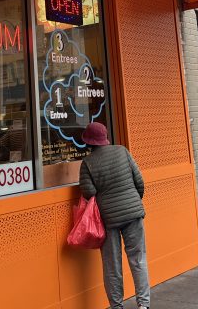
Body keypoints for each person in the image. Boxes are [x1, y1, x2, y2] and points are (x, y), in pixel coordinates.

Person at [79, 122, 149, 309]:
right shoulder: (122, 151)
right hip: (133, 214)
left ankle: (116, 306)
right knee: (138, 259)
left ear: (89, 142)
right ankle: (143, 304)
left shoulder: (87, 163)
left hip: (108, 219)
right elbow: (139, 181)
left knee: (112, 266)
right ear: (105, 138)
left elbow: (88, 192)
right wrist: (134, 201)